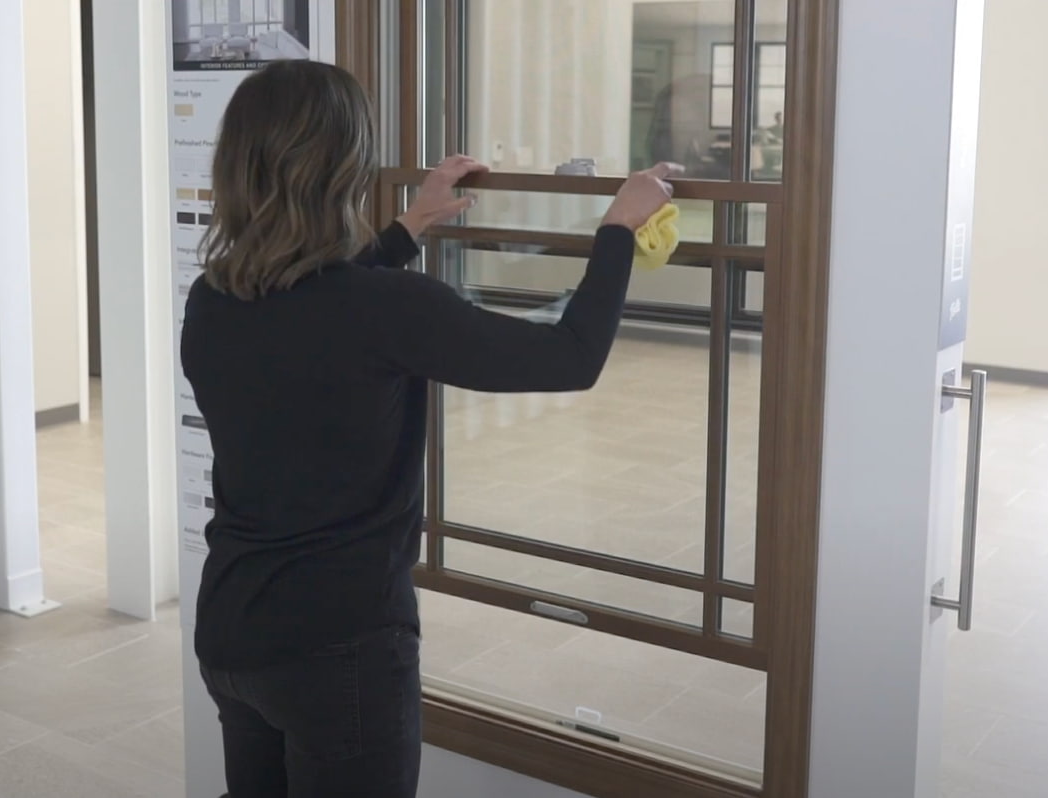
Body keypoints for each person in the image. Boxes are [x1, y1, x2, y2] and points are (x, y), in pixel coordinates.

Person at [181, 59, 680, 798]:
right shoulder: (387, 309)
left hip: (231, 632)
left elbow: (317, 313)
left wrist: (407, 227)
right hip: (337, 650)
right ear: (344, 166)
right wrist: (617, 227)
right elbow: (570, 358)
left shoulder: (214, 298)